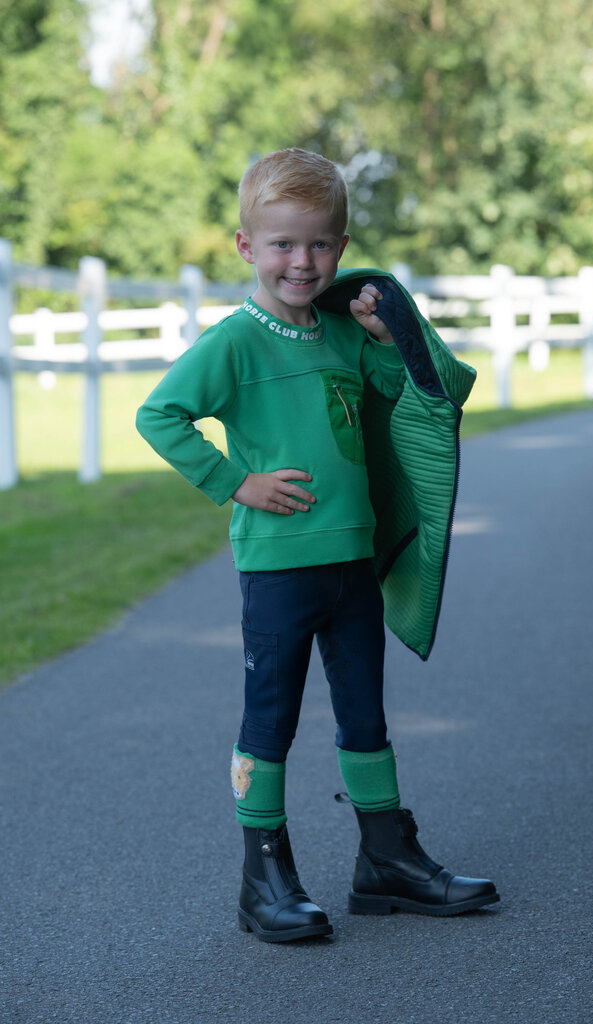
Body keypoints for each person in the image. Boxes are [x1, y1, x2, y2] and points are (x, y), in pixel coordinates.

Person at [136, 148, 499, 943]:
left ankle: (386, 860)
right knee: (270, 718)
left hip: (352, 563)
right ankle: (263, 877)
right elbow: (158, 415)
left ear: (341, 247)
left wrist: (388, 335)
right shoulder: (235, 343)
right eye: (282, 244)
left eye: (320, 244)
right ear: (245, 246)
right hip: (278, 566)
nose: (301, 262)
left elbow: (418, 396)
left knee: (365, 712)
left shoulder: (342, 333)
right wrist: (236, 481)